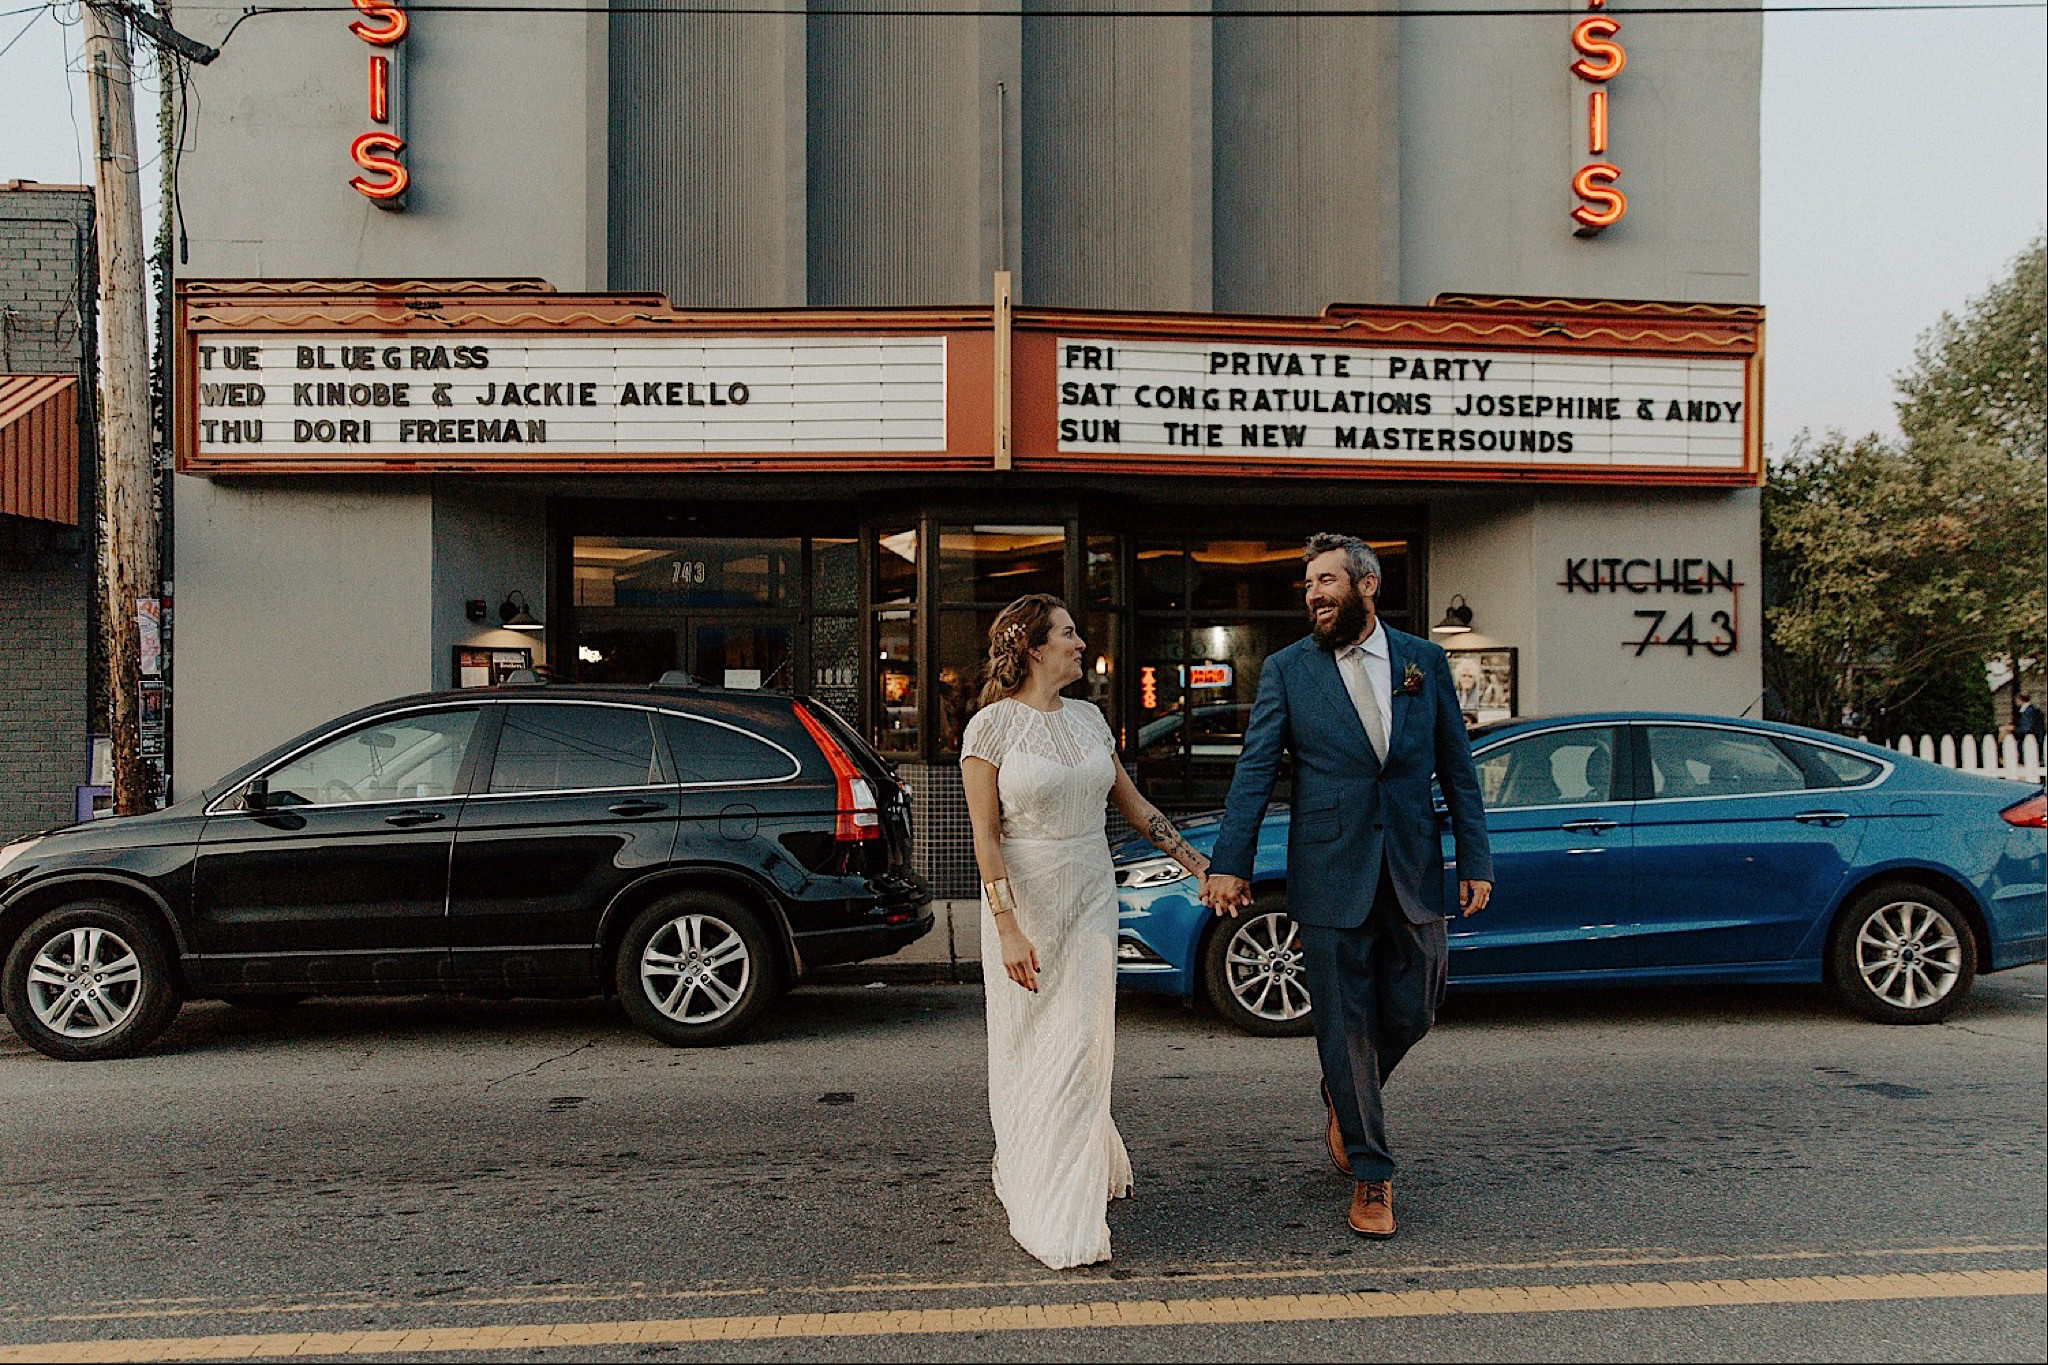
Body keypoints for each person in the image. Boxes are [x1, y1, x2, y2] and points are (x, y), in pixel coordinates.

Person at [1200, 532, 1492, 1240]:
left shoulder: (1422, 662)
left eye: (1327, 580)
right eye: (1308, 585)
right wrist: (1229, 861)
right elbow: (1255, 768)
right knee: (1345, 1024)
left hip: (1414, 866)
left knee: (1418, 1005)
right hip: (1329, 869)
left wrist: (1476, 858)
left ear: (1367, 586)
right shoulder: (1287, 670)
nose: (1314, 594)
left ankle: (1343, 1089)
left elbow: (1457, 765)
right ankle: (1371, 1172)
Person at [961, 593, 1210, 1268]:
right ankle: (1042, 1180)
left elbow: (1134, 807)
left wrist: (1200, 866)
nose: (1081, 643)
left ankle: (1070, 1183)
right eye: (1069, 633)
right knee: (1029, 1043)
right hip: (1027, 902)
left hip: (1093, 893)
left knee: (1083, 1040)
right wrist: (1007, 926)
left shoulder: (1092, 718)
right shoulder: (989, 729)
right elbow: (985, 837)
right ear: (1036, 646)